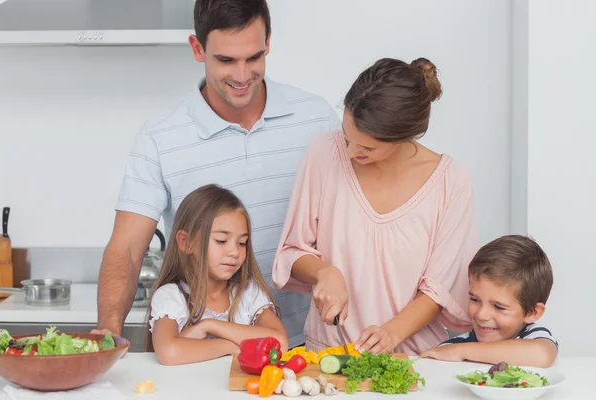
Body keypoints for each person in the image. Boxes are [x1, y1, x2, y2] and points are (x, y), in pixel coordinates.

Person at [93, 0, 340, 348]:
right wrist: (108, 332)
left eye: (253, 57)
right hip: (200, 351)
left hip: (305, 346)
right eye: (225, 60)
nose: (242, 76)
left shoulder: (317, 118)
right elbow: (127, 250)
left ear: (268, 43)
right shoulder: (160, 138)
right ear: (198, 48)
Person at [272, 57, 479, 355]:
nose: (352, 152)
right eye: (347, 136)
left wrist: (389, 335)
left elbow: (439, 290)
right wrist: (324, 272)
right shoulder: (323, 154)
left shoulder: (451, 182)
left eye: (367, 147)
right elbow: (293, 250)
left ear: (403, 136)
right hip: (328, 355)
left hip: (413, 360)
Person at [147, 184, 288, 365]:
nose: (234, 252)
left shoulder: (248, 293)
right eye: (221, 241)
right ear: (186, 242)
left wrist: (209, 325)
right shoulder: (171, 296)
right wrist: (228, 346)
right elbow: (169, 352)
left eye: (242, 243)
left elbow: (281, 344)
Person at [421, 235, 558, 368]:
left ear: (532, 312)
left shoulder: (533, 336)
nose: (482, 315)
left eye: (499, 307)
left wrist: (462, 352)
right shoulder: (452, 347)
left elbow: (542, 355)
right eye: (475, 299)